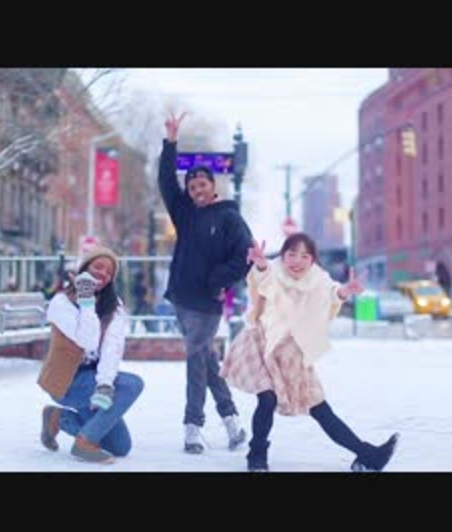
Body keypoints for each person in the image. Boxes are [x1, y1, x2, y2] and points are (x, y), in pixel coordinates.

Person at [221, 232, 399, 472]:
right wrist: (261, 265)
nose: (297, 261)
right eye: (292, 254)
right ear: (283, 255)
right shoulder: (273, 270)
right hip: (261, 344)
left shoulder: (318, 279)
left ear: (312, 260)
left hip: (293, 353)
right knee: (267, 397)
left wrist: (345, 291)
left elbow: (332, 293)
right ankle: (257, 456)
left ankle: (368, 455)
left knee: (320, 408)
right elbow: (262, 280)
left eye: (305, 256)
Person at [158, 112, 254, 454]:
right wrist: (171, 142)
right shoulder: (184, 214)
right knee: (206, 361)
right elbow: (166, 181)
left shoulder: (229, 217)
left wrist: (217, 280)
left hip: (207, 302)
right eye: (192, 187)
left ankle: (193, 427)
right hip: (181, 299)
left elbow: (244, 256)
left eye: (202, 185)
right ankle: (232, 422)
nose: (197, 190)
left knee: (195, 361)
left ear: (213, 186)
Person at [37, 245, 145, 464]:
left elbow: (112, 349)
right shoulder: (61, 302)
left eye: (109, 272)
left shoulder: (114, 306)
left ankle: (58, 418)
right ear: (85, 267)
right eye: (98, 266)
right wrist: (86, 300)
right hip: (67, 383)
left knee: (120, 446)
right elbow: (88, 340)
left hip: (94, 381)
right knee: (132, 384)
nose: (102, 273)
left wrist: (105, 384)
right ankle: (84, 443)